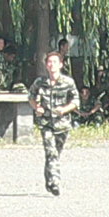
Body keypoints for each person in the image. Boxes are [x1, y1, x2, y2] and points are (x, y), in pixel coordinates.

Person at [28, 50, 80, 197]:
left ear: (61, 65)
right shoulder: (40, 82)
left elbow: (76, 101)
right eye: (49, 62)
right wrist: (36, 107)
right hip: (46, 123)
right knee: (51, 152)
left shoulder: (68, 82)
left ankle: (49, 180)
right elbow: (30, 96)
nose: (52, 65)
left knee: (55, 154)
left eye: (55, 62)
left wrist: (64, 109)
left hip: (62, 124)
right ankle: (56, 181)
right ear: (46, 65)